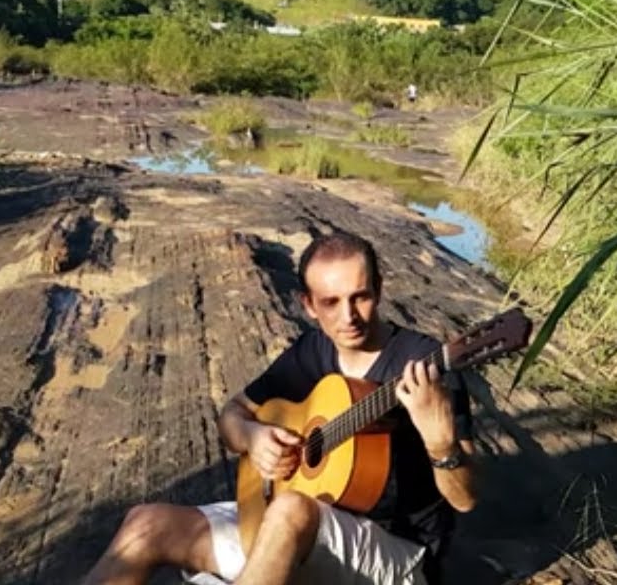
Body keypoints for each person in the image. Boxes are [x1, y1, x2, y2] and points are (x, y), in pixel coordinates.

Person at [83, 231, 477, 585]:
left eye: (361, 296)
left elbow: (465, 499)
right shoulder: (311, 351)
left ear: (379, 288)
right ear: (308, 305)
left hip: (397, 556)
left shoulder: (424, 366)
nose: (349, 316)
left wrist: (441, 444)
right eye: (331, 302)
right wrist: (253, 437)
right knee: (147, 524)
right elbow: (232, 415)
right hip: (288, 529)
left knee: (291, 509)